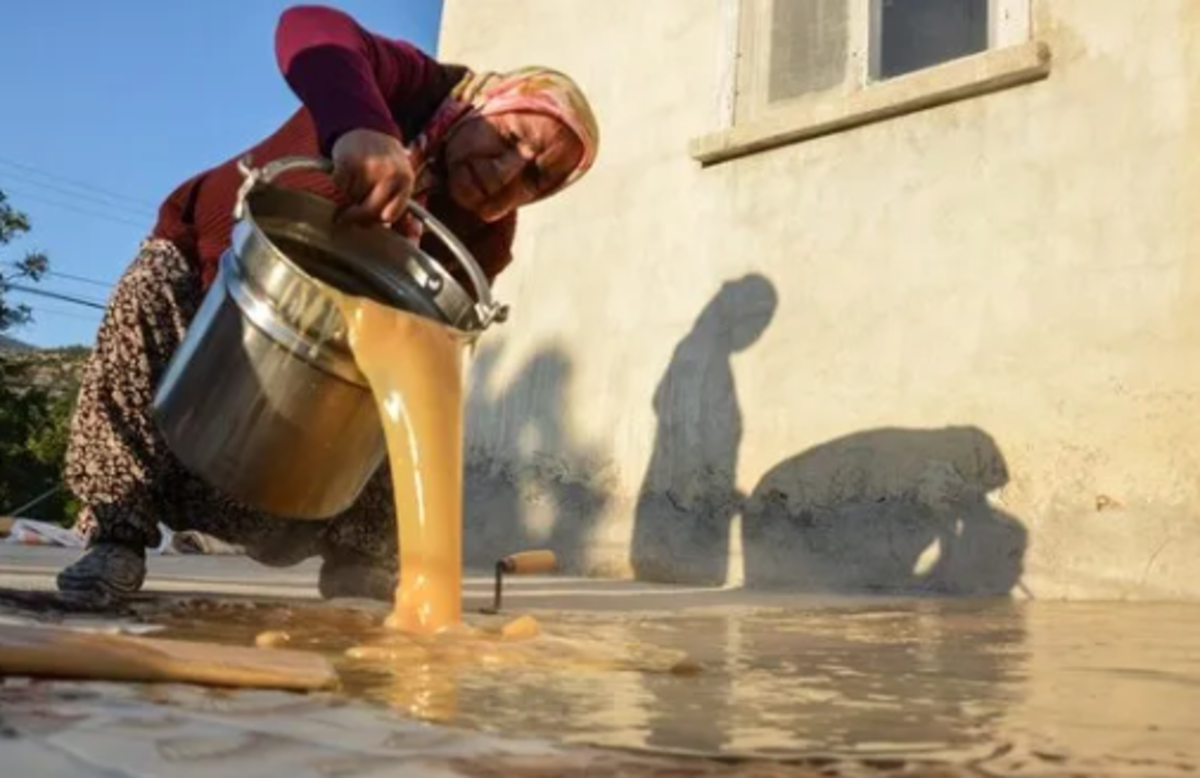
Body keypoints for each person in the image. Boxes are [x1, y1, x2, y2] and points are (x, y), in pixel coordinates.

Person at [56, 4, 600, 601]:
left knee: (418, 379)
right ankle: (115, 537)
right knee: (149, 284)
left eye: (535, 179)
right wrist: (361, 127)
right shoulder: (416, 87)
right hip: (212, 286)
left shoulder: (480, 241)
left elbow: (427, 372)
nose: (505, 175)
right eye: (510, 138)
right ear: (487, 103)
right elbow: (309, 26)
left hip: (308, 376)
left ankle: (363, 569)